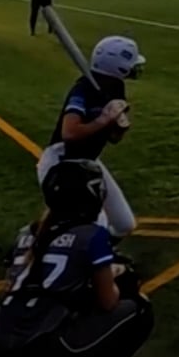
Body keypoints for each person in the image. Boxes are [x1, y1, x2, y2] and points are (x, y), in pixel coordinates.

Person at [0, 159, 155, 357]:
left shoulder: (27, 234)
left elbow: (16, 283)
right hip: (41, 355)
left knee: (26, 308)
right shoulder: (91, 235)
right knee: (138, 307)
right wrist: (119, 274)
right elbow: (108, 301)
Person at [38, 35, 146, 240]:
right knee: (91, 226)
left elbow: (113, 138)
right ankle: (42, 248)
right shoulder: (83, 89)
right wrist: (104, 119)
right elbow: (70, 133)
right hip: (62, 163)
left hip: (88, 163)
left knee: (124, 224)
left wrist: (119, 126)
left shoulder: (116, 88)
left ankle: (95, 252)